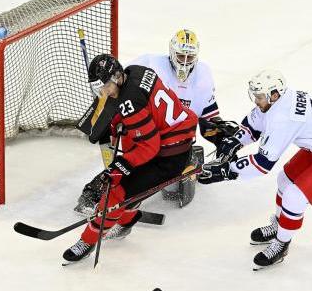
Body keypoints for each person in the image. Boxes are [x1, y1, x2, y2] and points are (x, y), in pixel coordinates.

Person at [198, 69, 312, 270]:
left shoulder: (285, 118)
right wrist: (234, 141)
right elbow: (253, 125)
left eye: (260, 97)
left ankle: (282, 244)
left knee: (293, 197)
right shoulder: (280, 100)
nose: (256, 101)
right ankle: (278, 225)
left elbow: (262, 164)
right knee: (284, 180)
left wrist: (225, 171)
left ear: (274, 95)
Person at [74, 29, 237, 213]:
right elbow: (119, 90)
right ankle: (102, 192)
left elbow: (208, 117)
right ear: (171, 51)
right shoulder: (150, 62)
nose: (184, 62)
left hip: (173, 140)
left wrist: (221, 136)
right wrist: (105, 118)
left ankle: (121, 195)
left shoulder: (202, 77)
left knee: (169, 188)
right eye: (180, 55)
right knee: (135, 162)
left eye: (189, 57)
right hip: (145, 131)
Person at [63, 54, 198, 263]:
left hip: (169, 155)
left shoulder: (129, 102)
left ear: (117, 76)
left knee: (116, 191)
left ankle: (89, 240)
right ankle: (127, 220)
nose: (104, 92)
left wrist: (120, 166)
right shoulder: (136, 71)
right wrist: (118, 123)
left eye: (106, 86)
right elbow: (143, 110)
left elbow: (149, 147)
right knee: (130, 180)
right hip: (175, 138)